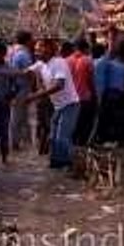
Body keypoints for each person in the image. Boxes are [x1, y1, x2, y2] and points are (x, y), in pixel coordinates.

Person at [24, 39, 80, 171]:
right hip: (58, 106)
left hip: (70, 104)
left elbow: (59, 85)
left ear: (49, 49)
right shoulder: (41, 64)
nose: (36, 52)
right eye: (35, 50)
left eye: (39, 49)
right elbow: (24, 72)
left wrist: (34, 96)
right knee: (53, 136)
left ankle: (70, 165)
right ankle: (56, 165)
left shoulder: (58, 63)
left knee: (62, 137)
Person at [94, 42, 124, 145]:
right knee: (118, 118)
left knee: (107, 117)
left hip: (107, 94)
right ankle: (118, 138)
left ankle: (105, 137)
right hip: (118, 95)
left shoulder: (107, 64)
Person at [8, 30, 35, 152]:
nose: (33, 41)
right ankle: (15, 144)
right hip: (21, 88)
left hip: (14, 88)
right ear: (27, 40)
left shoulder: (12, 51)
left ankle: (25, 143)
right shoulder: (23, 54)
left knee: (21, 117)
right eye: (31, 39)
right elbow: (29, 73)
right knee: (18, 117)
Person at [67, 38, 97, 146]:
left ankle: (72, 148)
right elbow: (91, 81)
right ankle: (82, 148)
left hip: (70, 99)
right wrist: (95, 95)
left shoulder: (67, 61)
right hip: (85, 98)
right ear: (85, 48)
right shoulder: (88, 61)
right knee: (85, 125)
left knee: (73, 125)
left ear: (75, 48)